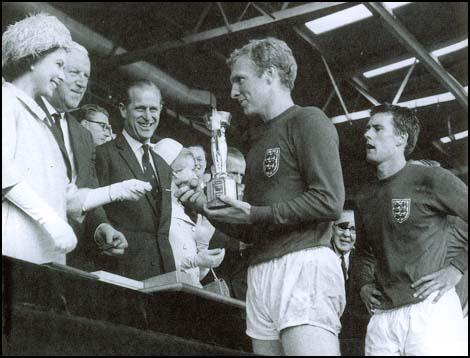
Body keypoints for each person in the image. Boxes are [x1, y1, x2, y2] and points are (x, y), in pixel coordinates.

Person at [176, 37, 345, 355]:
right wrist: (203, 205)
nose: (233, 92)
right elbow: (253, 229)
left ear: (270, 75)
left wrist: (255, 214)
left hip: (303, 264)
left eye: (240, 80)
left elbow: (330, 200)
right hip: (262, 270)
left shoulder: (308, 120)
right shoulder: (258, 140)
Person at [353, 104, 467, 356]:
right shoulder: (364, 196)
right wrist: (363, 284)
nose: (367, 134)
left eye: (377, 128)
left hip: (430, 309)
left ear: (401, 138)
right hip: (383, 316)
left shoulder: (431, 178)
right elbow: (361, 251)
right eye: (367, 128)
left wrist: (457, 268)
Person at [38, 42, 145, 270]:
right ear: (54, 72)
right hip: (27, 250)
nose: (81, 82)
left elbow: (89, 191)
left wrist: (101, 228)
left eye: (86, 75)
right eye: (74, 72)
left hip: (72, 261)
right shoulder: (28, 116)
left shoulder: (84, 136)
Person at [2, 13, 77, 264]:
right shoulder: (5, 102)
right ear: (33, 57)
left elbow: (64, 193)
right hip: (15, 252)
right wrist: (51, 220)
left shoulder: (43, 122)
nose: (63, 76)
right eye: (58, 64)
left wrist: (115, 191)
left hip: (44, 257)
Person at [95, 79, 176, 280]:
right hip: (121, 273)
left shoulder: (163, 166)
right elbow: (91, 209)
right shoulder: (103, 155)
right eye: (140, 109)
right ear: (123, 110)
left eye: (153, 109)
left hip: (164, 276)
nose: (148, 117)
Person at [155, 139, 225, 287]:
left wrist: (203, 246)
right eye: (192, 169)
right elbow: (158, 266)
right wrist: (196, 260)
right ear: (174, 172)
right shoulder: (158, 211)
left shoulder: (182, 208)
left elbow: (197, 276)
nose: (196, 176)